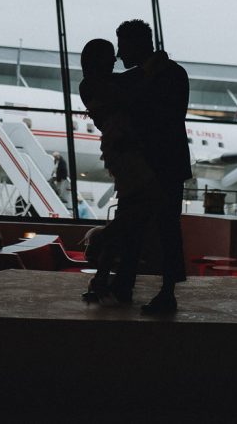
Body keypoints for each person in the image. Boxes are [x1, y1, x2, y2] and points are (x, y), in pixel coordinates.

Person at [113, 19, 192, 315]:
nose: (120, 54)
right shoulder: (175, 74)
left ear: (136, 44)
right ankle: (165, 290)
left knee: (141, 228)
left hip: (150, 167)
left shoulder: (140, 79)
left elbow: (142, 110)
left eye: (122, 45)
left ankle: (126, 283)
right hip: (168, 166)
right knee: (166, 229)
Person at [77, 38, 161, 305]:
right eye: (109, 56)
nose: (114, 60)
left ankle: (102, 275)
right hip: (125, 152)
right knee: (137, 209)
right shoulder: (101, 85)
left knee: (131, 209)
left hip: (119, 151)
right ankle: (103, 247)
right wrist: (150, 68)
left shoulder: (90, 84)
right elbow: (126, 92)